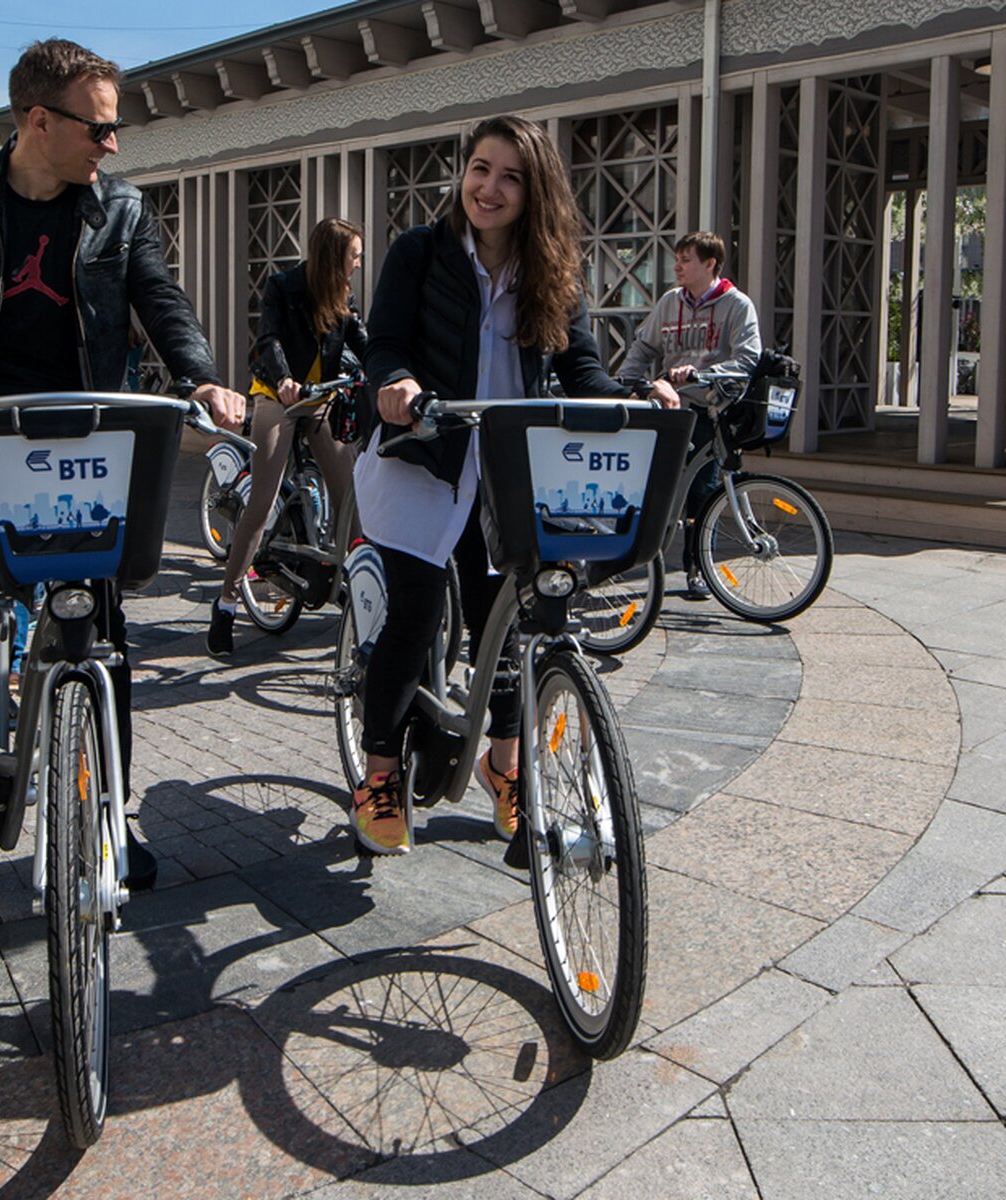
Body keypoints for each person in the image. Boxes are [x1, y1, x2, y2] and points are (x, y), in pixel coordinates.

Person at [0, 38, 246, 879]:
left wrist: (205, 380)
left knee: (99, 593)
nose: (113, 145)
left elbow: (163, 301)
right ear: (40, 121)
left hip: (82, 425)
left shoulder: (122, 210)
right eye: (99, 128)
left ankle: (107, 808)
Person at [350, 114, 678, 855]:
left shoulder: (552, 272)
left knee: (509, 624)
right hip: (424, 461)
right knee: (414, 614)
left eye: (509, 176)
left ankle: (505, 768)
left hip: (506, 474)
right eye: (478, 169)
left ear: (536, 192)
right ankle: (377, 773)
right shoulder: (417, 253)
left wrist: (633, 397)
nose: (488, 188)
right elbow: (386, 345)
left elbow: (580, 367)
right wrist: (395, 382)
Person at [207, 217, 367, 655]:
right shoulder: (284, 286)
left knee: (349, 496)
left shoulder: (342, 295)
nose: (358, 263)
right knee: (261, 499)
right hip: (278, 395)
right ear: (335, 257)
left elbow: (360, 337)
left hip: (319, 399)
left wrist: (388, 372)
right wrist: (283, 381)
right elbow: (269, 339)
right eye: (354, 255)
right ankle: (226, 603)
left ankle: (360, 594)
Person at [618, 231, 760, 598]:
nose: (677, 267)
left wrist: (703, 373)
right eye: (676, 259)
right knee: (649, 483)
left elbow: (747, 359)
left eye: (686, 260)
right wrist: (626, 380)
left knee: (702, 490)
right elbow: (644, 346)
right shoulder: (669, 302)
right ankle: (631, 555)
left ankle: (696, 567)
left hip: (708, 408)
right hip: (667, 407)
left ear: (710, 263)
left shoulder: (737, 305)